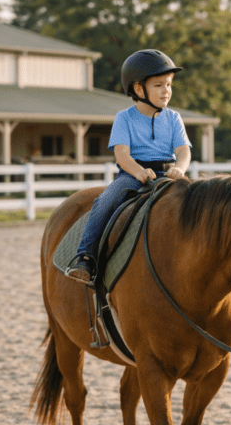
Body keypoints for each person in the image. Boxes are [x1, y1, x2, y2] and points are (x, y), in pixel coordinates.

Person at [66, 49, 191, 283]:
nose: (166, 91)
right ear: (137, 89)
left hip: (169, 173)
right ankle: (85, 256)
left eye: (169, 85)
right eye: (158, 85)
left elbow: (183, 151)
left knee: (200, 203)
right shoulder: (125, 118)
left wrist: (180, 169)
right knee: (105, 200)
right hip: (133, 174)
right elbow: (121, 154)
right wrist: (138, 171)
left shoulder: (173, 118)